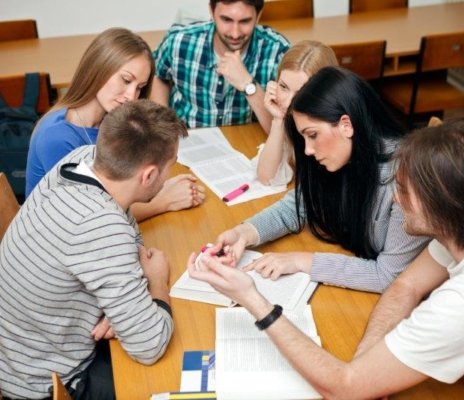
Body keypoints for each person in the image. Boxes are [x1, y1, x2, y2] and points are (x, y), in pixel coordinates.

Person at [189, 119, 464, 398]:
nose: (396, 199)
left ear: (443, 206)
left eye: (403, 190)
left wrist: (252, 299)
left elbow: (345, 389)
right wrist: (370, 360)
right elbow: (406, 286)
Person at [0, 100, 181, 400]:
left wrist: (124, 303)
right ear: (148, 175)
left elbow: (128, 239)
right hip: (44, 382)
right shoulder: (100, 225)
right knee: (175, 383)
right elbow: (149, 345)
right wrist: (157, 283)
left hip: (21, 349)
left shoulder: (82, 160)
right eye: (170, 165)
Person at [215, 66, 428, 293]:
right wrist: (243, 234)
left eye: (313, 135)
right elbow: (298, 206)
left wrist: (300, 261)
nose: (307, 150)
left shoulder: (407, 178)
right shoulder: (345, 157)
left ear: (346, 125)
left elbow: (387, 276)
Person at [25, 27, 205, 219]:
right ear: (99, 68)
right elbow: (89, 216)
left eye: (140, 88)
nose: (131, 96)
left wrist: (158, 188)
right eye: (126, 80)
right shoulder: (57, 138)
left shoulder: (110, 120)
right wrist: (164, 200)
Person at [151, 0, 290, 133]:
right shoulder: (178, 40)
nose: (235, 33)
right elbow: (159, 74)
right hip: (185, 137)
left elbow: (282, 132)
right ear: (211, 11)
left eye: (245, 21)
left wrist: (248, 84)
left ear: (258, 16)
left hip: (244, 141)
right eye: (226, 20)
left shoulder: (278, 51)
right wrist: (163, 125)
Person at [255, 40, 338, 186]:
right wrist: (278, 120)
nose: (287, 103)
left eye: (302, 93)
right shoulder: (292, 122)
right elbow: (267, 177)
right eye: (283, 87)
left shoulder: (333, 127)